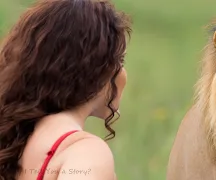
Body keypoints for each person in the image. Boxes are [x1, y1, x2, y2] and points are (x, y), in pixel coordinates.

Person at [0, 0, 131, 179]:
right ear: (94, 68)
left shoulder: (15, 143)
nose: (122, 72)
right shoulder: (86, 153)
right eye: (119, 61)